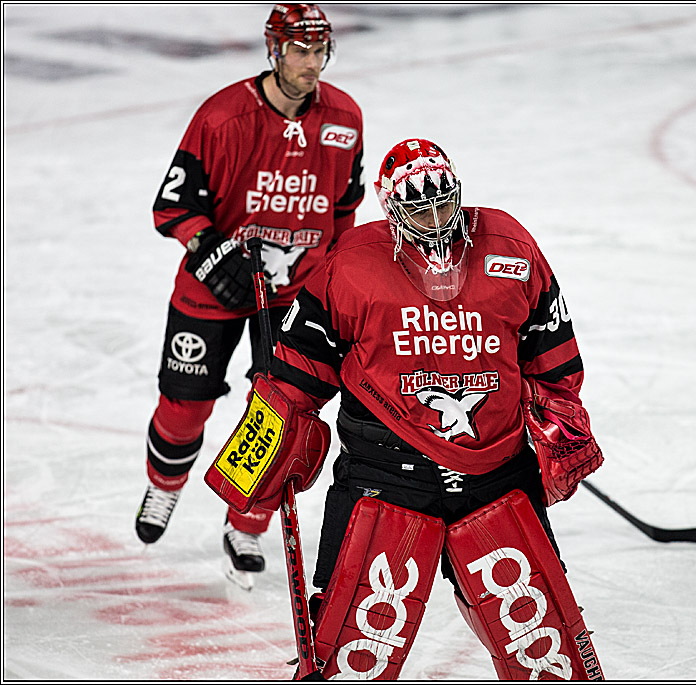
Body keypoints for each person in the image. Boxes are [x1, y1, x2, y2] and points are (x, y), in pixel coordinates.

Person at [207, 138, 605, 679]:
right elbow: (294, 378)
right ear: (390, 206)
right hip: (385, 477)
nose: (436, 219)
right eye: (419, 207)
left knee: (551, 659)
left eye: (444, 202)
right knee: (350, 661)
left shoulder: (510, 247)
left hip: (498, 476)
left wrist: (559, 427)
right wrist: (254, 459)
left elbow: (552, 358)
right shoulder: (350, 265)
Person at [135, 2, 365, 583]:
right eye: (300, 51)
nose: (311, 64)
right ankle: (164, 485)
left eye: (320, 52)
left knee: (279, 415)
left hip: (295, 295)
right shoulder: (222, 116)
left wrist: (337, 283)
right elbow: (174, 205)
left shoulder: (345, 119)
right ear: (274, 50)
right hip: (211, 291)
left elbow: (344, 214)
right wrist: (213, 254)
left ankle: (248, 521)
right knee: (185, 405)